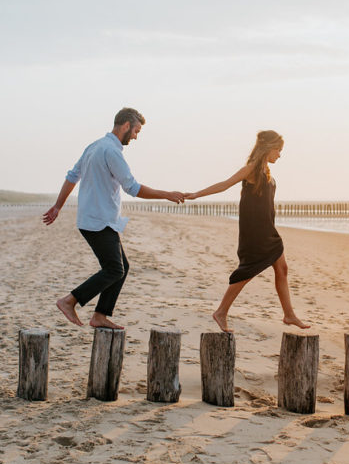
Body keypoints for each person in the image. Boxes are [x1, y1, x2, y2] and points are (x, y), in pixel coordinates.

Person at [43, 107, 184, 329]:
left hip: (94, 219)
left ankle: (100, 315)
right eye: (136, 130)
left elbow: (72, 177)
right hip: (99, 220)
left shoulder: (94, 146)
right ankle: (69, 301)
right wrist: (166, 194)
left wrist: (58, 206)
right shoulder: (112, 151)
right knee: (114, 269)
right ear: (126, 126)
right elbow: (133, 188)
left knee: (121, 267)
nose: (136, 136)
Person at [185, 130, 309, 333]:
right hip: (256, 232)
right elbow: (225, 184)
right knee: (248, 271)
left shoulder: (266, 172)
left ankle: (289, 314)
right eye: (278, 150)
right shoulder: (251, 169)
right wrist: (197, 194)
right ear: (269, 148)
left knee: (282, 269)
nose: (279, 154)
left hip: (268, 230)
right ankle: (221, 312)